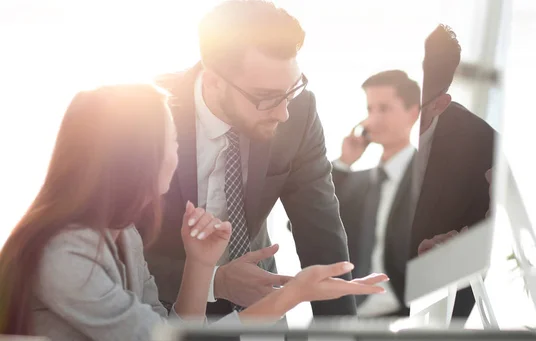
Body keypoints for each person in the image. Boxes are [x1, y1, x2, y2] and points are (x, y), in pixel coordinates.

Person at [0, 84, 388, 340]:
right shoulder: (66, 253)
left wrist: (201, 265)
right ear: (136, 156)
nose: (177, 155)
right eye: (171, 142)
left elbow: (171, 329)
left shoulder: (123, 234)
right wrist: (291, 296)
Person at [143, 0, 356, 317]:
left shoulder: (298, 111)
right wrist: (215, 281)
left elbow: (320, 226)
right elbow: (116, 250)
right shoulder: (146, 115)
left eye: (291, 88)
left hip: (262, 302)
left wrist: (341, 332)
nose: (282, 113)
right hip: (163, 310)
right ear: (214, 80)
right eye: (266, 97)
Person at [402, 24, 496, 319]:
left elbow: (478, 253)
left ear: (440, 104)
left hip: (429, 302)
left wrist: (449, 253)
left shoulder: (481, 146)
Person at [329, 70, 420, 317]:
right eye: (370, 110)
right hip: (349, 313)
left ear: (413, 113)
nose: (374, 119)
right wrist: (344, 163)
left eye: (385, 108)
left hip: (402, 315)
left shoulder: (428, 180)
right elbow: (307, 226)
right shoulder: (357, 182)